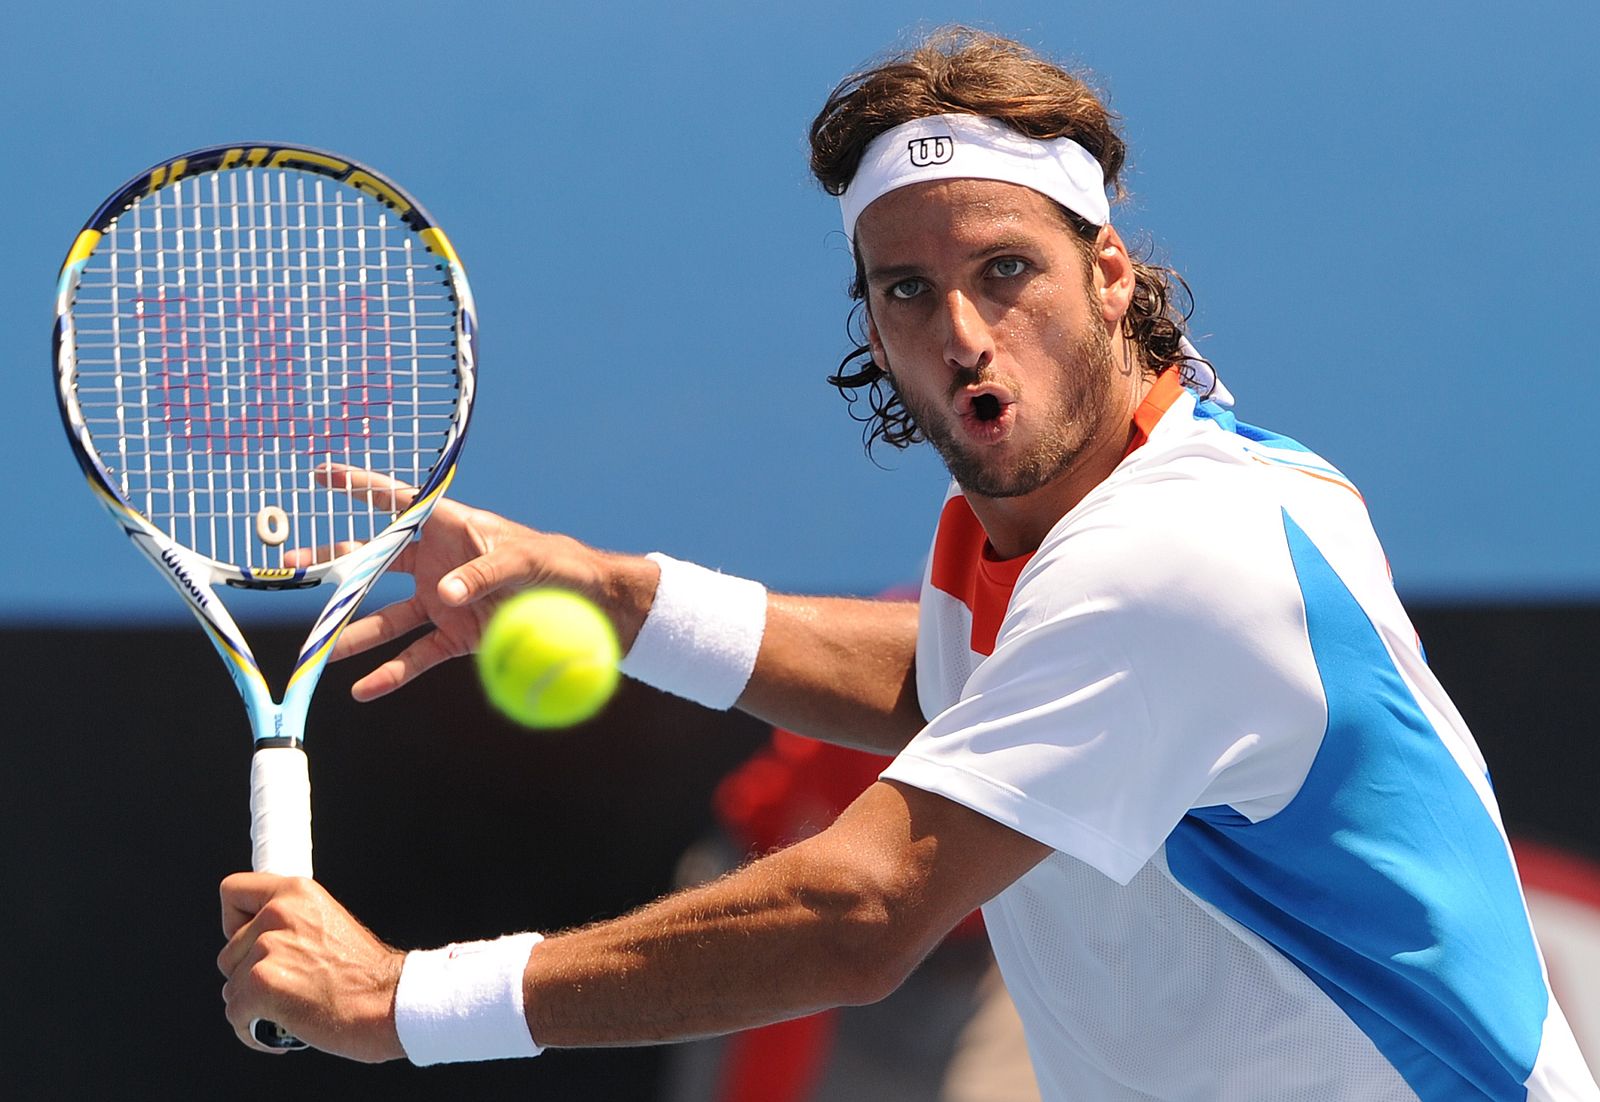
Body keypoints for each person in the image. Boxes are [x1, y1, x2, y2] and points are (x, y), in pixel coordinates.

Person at [216, 27, 1600, 1101]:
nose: (964, 333)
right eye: (908, 290)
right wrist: (623, 599)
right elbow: (980, 691)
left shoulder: (1182, 558)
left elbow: (857, 908)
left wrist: (405, 1002)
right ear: (870, 325)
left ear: (1110, 273)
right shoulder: (1087, 517)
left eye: (1008, 272)